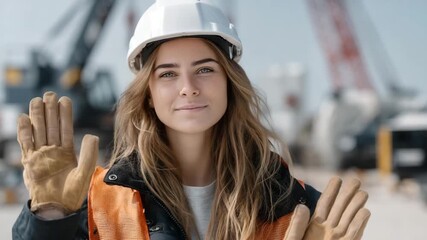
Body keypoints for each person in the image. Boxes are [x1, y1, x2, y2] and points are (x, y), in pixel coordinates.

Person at [12, 0, 370, 239]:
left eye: (205, 69)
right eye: (168, 74)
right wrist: (51, 219)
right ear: (148, 93)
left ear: (230, 82)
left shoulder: (296, 204)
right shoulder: (98, 200)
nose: (188, 88)